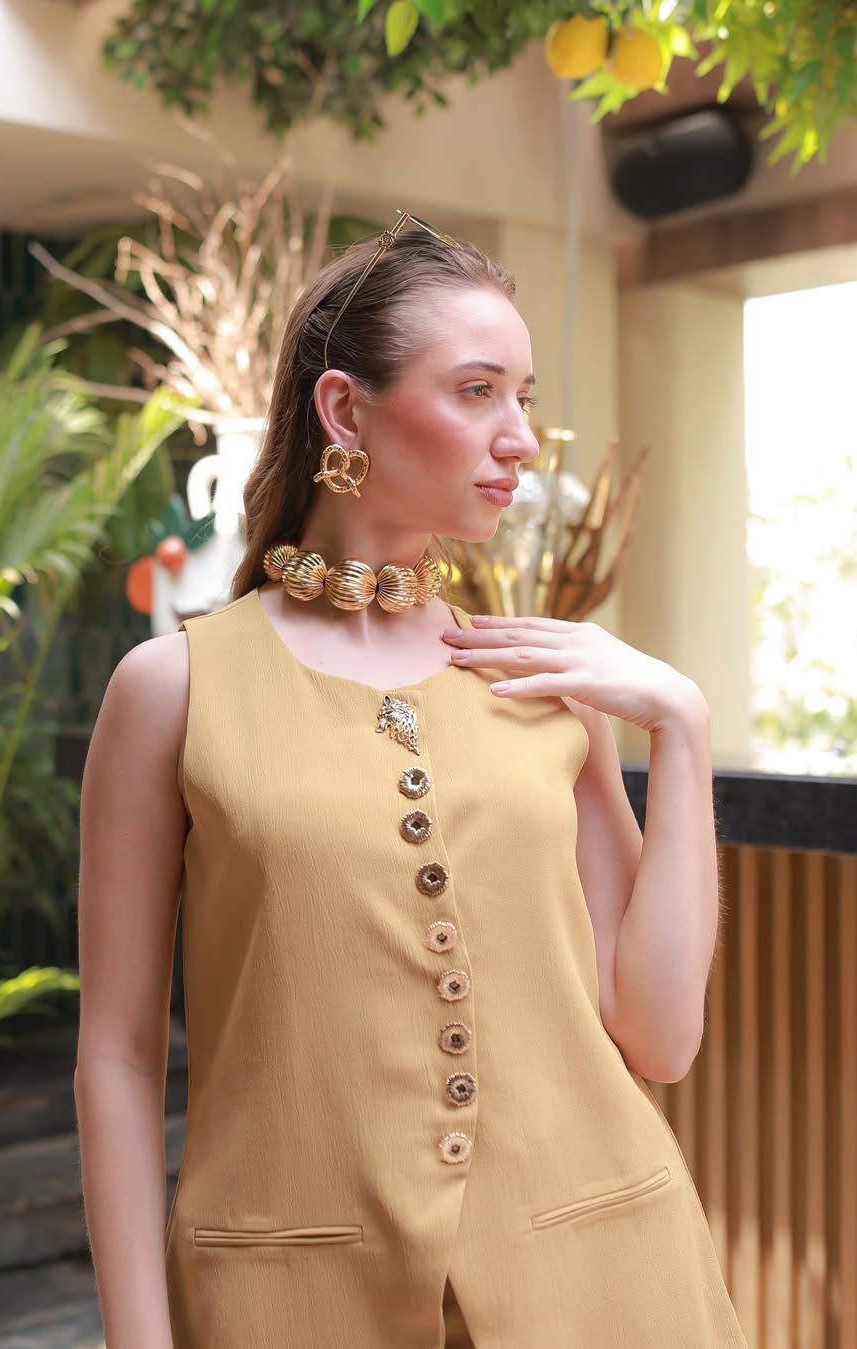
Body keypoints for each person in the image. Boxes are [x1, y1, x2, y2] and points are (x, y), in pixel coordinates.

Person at [74, 212, 748, 1349]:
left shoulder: (547, 680)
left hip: (607, 1281)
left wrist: (682, 725)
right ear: (346, 411)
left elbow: (661, 1037)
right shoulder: (172, 690)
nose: (520, 439)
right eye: (478, 391)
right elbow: (118, 1055)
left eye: (523, 398)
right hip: (289, 1301)